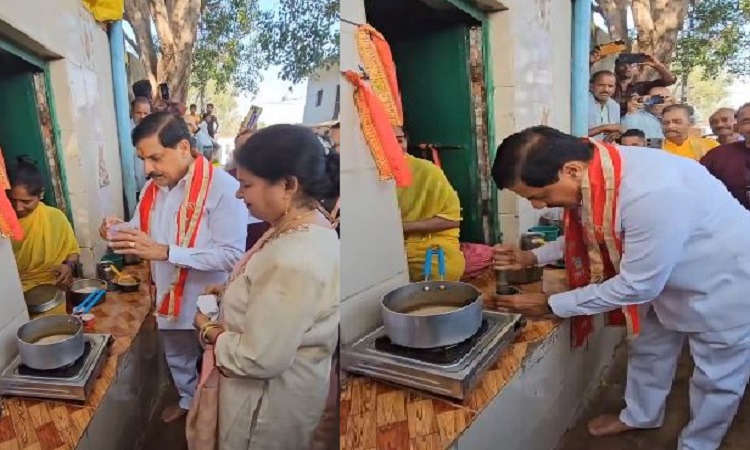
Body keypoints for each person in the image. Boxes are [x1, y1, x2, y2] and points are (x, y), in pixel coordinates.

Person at [489, 125, 750, 450]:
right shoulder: (600, 172)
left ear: (571, 170)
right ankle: (640, 415)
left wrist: (552, 303)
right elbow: (588, 232)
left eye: (540, 196)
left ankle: (699, 444)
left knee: (717, 378)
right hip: (662, 276)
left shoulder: (652, 192)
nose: (541, 207)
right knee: (648, 349)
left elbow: (636, 285)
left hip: (722, 282)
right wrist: (532, 256)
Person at [192, 124, 339, 449]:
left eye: (246, 184)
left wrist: (209, 331)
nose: (238, 194)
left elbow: (259, 358)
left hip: (266, 405)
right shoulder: (302, 223)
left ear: (287, 185)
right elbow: (272, 295)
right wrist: (233, 290)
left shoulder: (294, 259)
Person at [100, 112, 247, 423]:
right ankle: (187, 401)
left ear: (183, 146)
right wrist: (117, 230)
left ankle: (217, 416)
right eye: (143, 159)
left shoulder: (223, 188)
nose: (147, 169)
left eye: (155, 158)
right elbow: (140, 229)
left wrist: (167, 252)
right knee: (178, 357)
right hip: (167, 296)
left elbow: (233, 256)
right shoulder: (153, 189)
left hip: (209, 300)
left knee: (215, 361)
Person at [394, 126, 465, 281]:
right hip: (387, 247)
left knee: (443, 272)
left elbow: (452, 220)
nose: (395, 146)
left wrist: (401, 227)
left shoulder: (427, 171)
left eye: (399, 140)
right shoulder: (366, 177)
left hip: (430, 244)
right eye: (387, 141)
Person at [8, 157, 79, 292]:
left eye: (26, 201)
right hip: (13, 292)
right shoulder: (3, 223)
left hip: (54, 287)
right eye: (12, 200)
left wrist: (68, 266)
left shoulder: (54, 217)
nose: (18, 208)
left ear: (41, 194)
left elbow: (72, 251)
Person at [701, 103, 750, 211]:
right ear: (737, 127)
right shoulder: (716, 156)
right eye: (747, 121)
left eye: (724, 120)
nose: (719, 125)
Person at [587, 70, 621, 142]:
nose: (606, 89)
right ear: (591, 86)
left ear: (615, 88)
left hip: (605, 149)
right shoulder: (583, 103)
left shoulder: (614, 106)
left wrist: (615, 133)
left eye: (610, 86)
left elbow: (615, 129)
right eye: (601, 85)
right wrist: (603, 128)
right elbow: (577, 135)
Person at [131, 97, 152, 197]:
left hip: (147, 185)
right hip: (132, 188)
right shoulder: (125, 131)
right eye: (138, 112)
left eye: (146, 113)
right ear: (132, 112)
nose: (142, 116)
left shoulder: (153, 131)